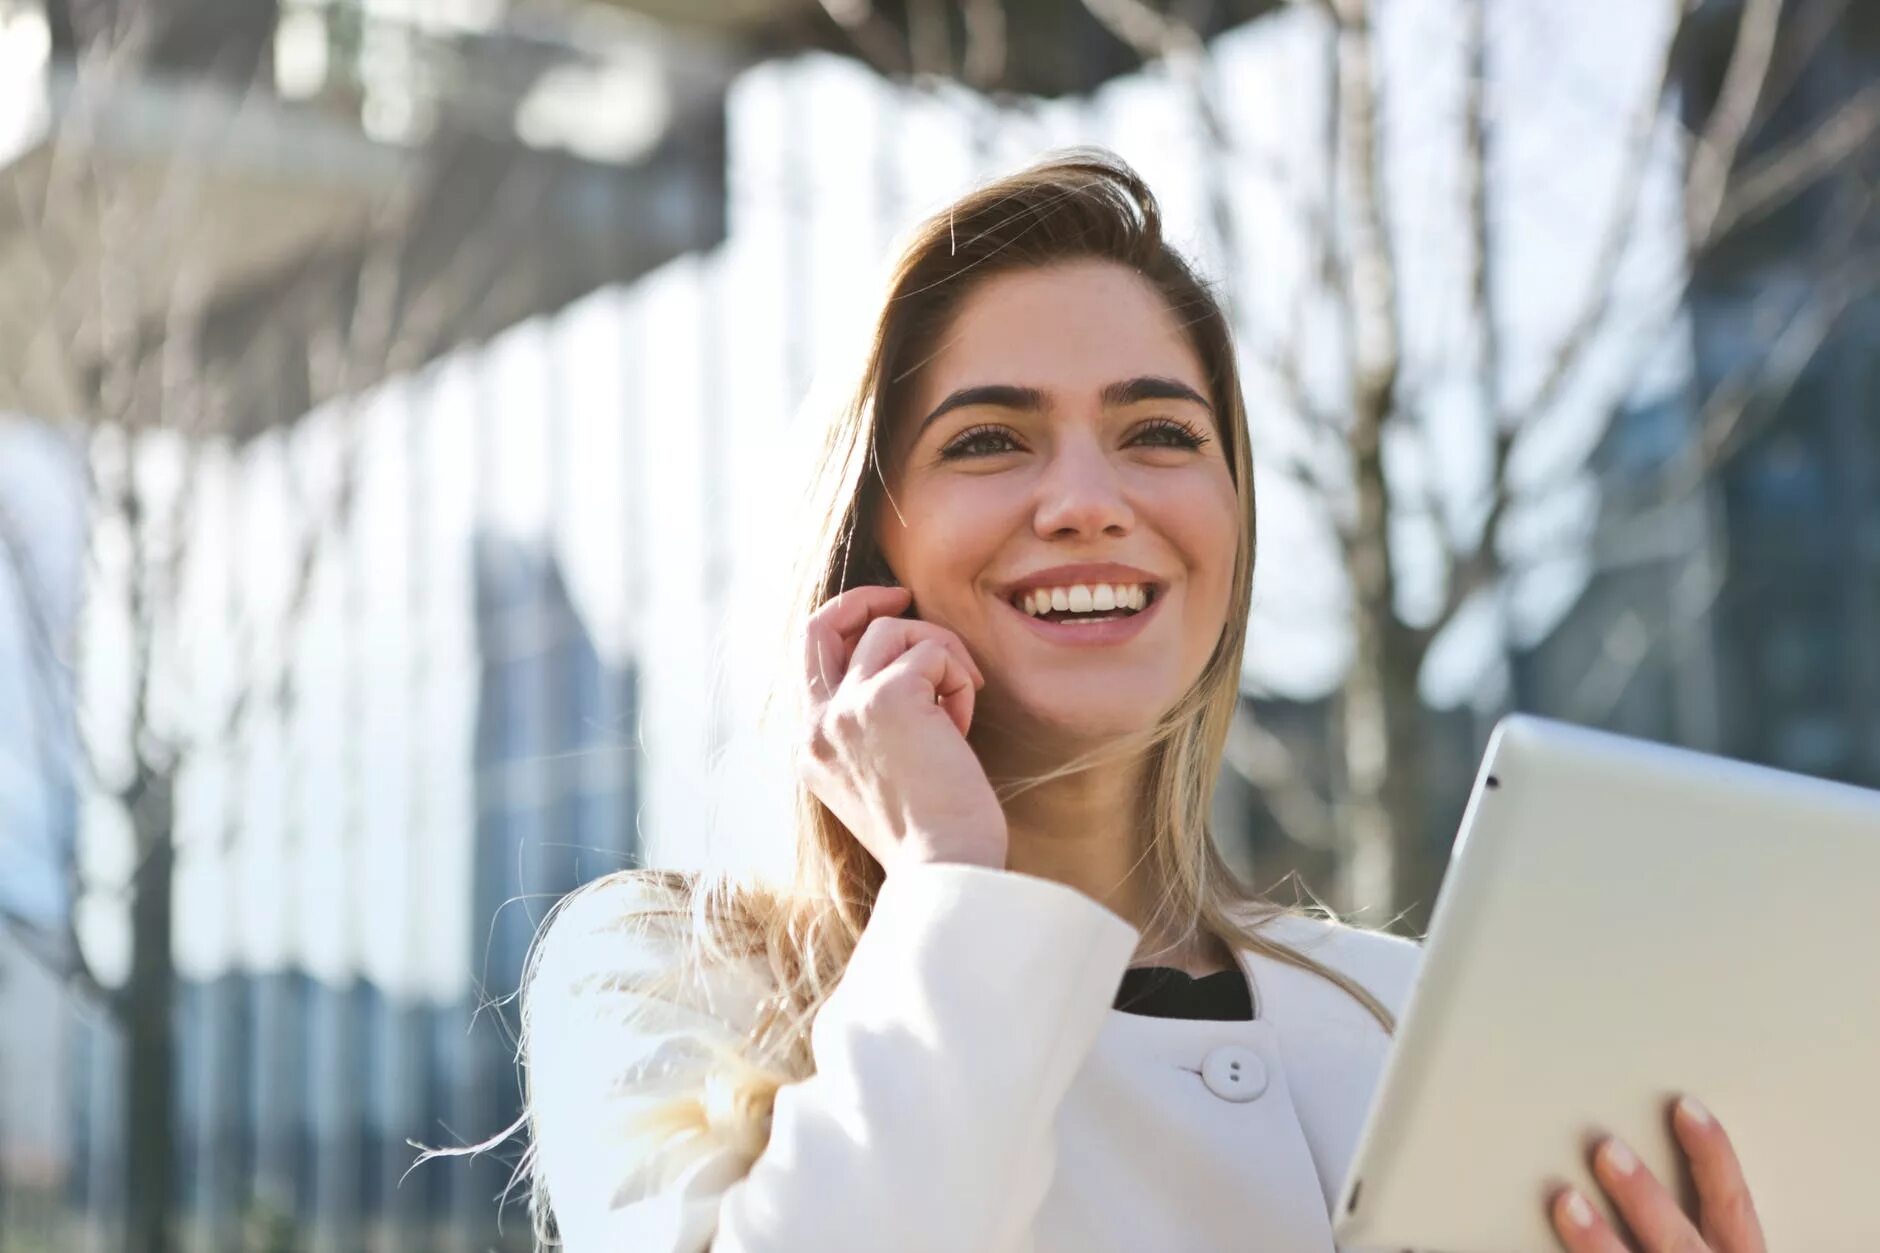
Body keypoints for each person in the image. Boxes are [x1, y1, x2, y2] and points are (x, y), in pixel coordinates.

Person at [516, 150, 1767, 1253]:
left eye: (1159, 432)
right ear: (866, 544)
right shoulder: (657, 976)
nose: (1086, 499)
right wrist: (953, 879)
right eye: (989, 439)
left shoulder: (1404, 1013)